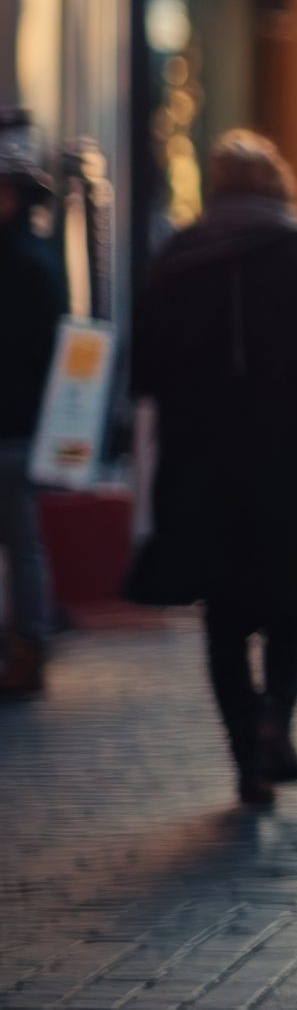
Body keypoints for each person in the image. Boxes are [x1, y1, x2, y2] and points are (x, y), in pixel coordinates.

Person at [123, 131, 297, 805]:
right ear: (278, 186)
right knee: (288, 602)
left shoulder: (175, 257)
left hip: (202, 465)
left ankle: (244, 757)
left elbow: (143, 366)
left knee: (223, 613)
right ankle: (274, 716)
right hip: (289, 458)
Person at [0, 120, 64, 699]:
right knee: (24, 541)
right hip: (22, 424)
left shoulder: (25, 262)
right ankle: (28, 641)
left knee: (22, 541)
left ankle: (29, 642)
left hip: (15, 426)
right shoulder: (39, 258)